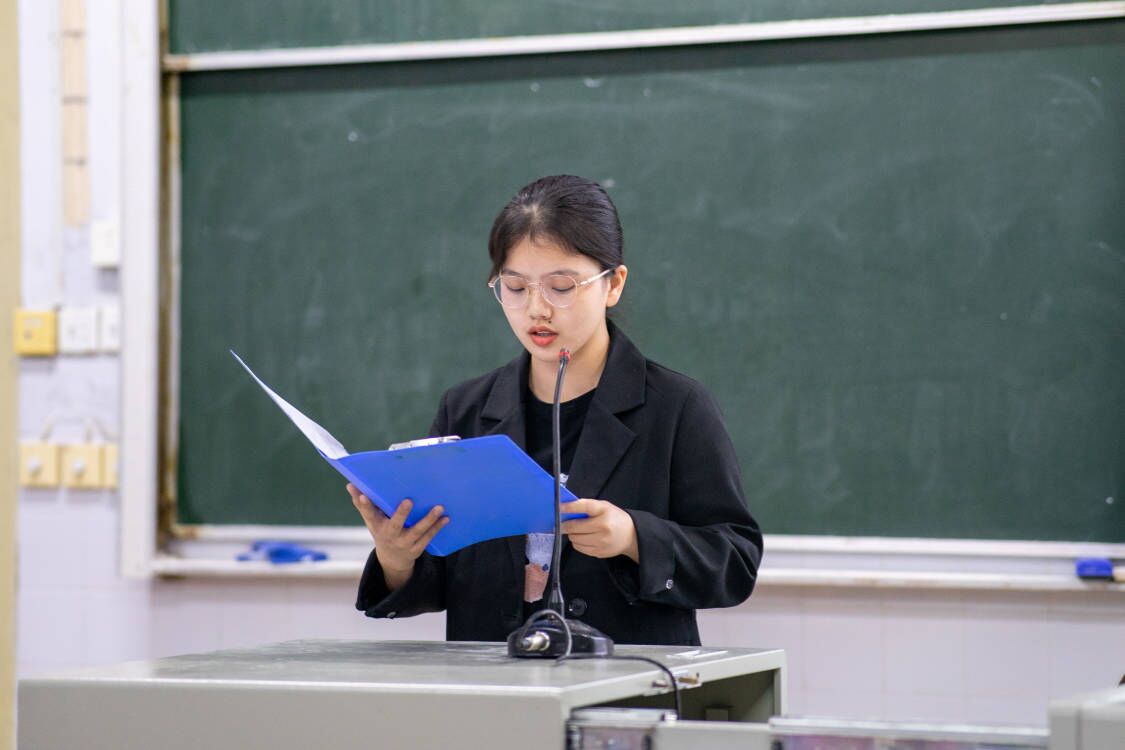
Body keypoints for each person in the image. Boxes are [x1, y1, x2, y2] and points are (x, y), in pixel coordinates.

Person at [350, 174, 762, 646]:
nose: (536, 310)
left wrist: (634, 538)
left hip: (626, 679)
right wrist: (397, 558)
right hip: (494, 683)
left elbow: (735, 562)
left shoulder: (676, 407)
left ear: (613, 284)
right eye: (515, 287)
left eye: (561, 286)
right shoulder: (465, 410)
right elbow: (444, 576)